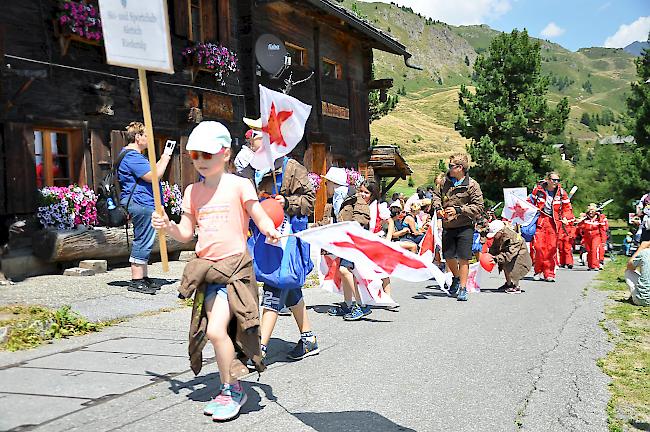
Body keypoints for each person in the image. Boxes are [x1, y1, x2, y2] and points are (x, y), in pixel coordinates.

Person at [152, 121, 281, 421]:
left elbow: (258, 214)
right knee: (215, 332)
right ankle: (229, 386)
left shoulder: (239, 185)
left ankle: (232, 388)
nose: (199, 161)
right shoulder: (192, 192)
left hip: (236, 271)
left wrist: (269, 229)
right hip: (208, 273)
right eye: (195, 155)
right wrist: (168, 226)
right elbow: (186, 232)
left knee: (214, 330)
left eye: (206, 155)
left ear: (225, 154)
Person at [254, 150, 319, 362]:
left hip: (287, 237)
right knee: (289, 287)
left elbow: (310, 202)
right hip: (268, 236)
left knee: (275, 283)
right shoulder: (257, 167)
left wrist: (287, 203)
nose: (253, 141)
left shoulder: (294, 168)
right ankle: (308, 339)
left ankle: (260, 348)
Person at [117, 121, 172, 295]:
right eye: (147, 136)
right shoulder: (132, 156)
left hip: (143, 202)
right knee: (143, 239)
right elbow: (153, 176)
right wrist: (165, 157)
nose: (150, 140)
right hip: (140, 203)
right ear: (138, 136)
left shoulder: (133, 156)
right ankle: (136, 279)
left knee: (146, 239)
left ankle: (144, 276)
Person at [319, 167, 371, 321]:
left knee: (345, 269)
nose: (325, 186)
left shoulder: (354, 198)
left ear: (333, 183)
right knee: (343, 271)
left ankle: (362, 305)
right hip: (343, 242)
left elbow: (362, 217)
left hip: (353, 241)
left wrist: (348, 231)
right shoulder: (334, 201)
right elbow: (326, 223)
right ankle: (348, 304)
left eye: (327, 183)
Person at [431, 153, 484, 301]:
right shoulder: (444, 182)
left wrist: (459, 210)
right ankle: (455, 277)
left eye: (451, 166)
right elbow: (436, 196)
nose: (448, 169)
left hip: (465, 225)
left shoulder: (472, 185)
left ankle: (462, 287)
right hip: (448, 225)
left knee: (464, 257)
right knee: (447, 256)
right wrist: (438, 207)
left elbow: (479, 206)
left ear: (460, 168)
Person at [528, 172, 574, 282]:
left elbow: (567, 208)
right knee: (538, 248)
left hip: (554, 223)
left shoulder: (561, 193)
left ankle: (549, 273)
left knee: (551, 249)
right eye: (554, 180)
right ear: (547, 180)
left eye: (558, 180)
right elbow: (529, 203)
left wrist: (566, 218)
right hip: (541, 221)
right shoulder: (538, 190)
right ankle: (538, 271)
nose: (556, 182)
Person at [359, 179, 395, 297]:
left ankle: (388, 296)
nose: (363, 194)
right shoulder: (358, 205)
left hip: (376, 241)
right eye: (361, 191)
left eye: (366, 192)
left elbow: (390, 222)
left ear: (372, 194)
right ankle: (368, 296)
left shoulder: (379, 207)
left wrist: (388, 238)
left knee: (382, 270)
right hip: (363, 243)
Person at [486, 220, 532, 294]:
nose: (494, 236)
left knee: (512, 264)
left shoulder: (512, 237)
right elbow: (494, 248)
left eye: (494, 234)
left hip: (520, 257)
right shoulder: (499, 236)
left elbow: (510, 253)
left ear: (500, 231)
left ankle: (516, 286)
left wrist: (497, 259)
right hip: (510, 254)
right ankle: (509, 284)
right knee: (503, 262)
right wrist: (490, 255)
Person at [577, 204, 602, 271]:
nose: (591, 212)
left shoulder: (599, 217)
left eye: (592, 210)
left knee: (594, 250)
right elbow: (580, 227)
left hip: (596, 236)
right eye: (589, 210)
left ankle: (596, 265)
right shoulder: (585, 217)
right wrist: (580, 221)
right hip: (587, 236)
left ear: (595, 210)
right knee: (589, 251)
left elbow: (603, 229)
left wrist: (603, 240)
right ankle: (590, 265)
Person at [625, 241, 650, 306]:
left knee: (629, 271)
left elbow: (630, 266)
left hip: (644, 300)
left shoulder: (645, 252)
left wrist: (641, 248)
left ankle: (637, 295)